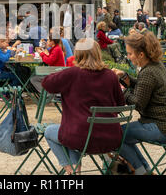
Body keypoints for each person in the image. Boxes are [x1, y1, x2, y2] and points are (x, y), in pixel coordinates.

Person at [42, 38, 126, 175]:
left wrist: (62, 74)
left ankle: (72, 170)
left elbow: (47, 84)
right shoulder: (110, 75)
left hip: (79, 137)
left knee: (52, 132)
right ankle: (75, 169)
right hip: (111, 138)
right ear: (98, 53)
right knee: (71, 132)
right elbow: (121, 104)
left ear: (78, 54)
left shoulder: (72, 73)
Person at [113, 32, 166, 175]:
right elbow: (143, 86)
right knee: (121, 135)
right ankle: (145, 171)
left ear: (141, 55)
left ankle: (141, 172)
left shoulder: (148, 72)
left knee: (114, 136)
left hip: (161, 128)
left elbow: (138, 104)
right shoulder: (157, 66)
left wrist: (122, 90)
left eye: (130, 54)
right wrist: (125, 77)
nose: (129, 57)